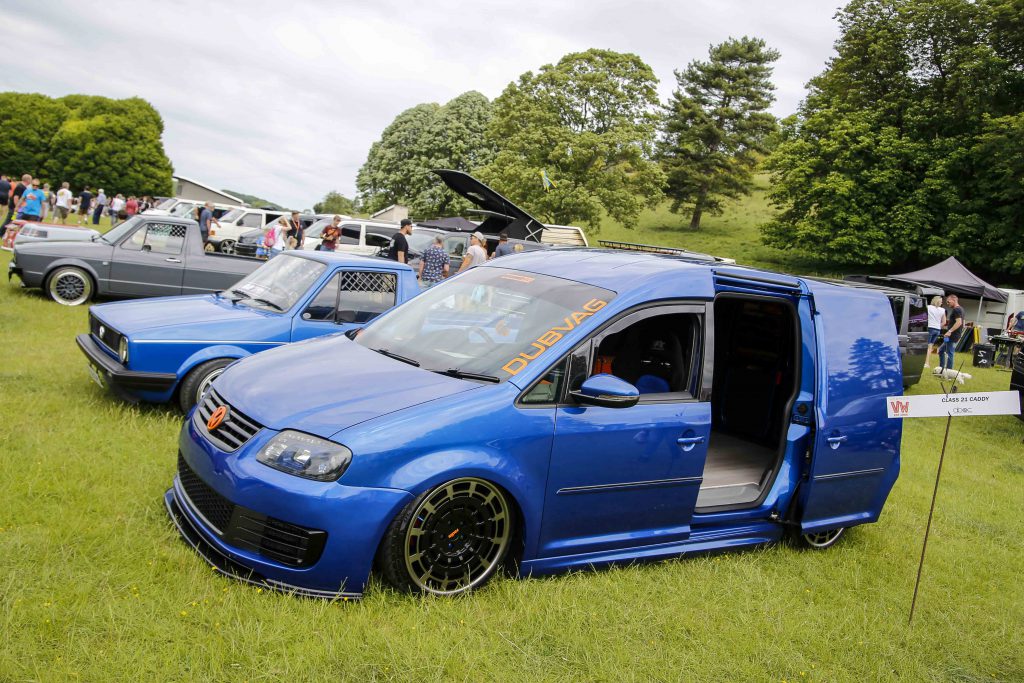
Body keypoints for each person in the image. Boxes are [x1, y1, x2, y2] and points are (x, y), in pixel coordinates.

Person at [937, 294, 964, 373]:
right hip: (954, 334)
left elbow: (959, 322)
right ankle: (941, 369)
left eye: (948, 302)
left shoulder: (957, 310)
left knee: (950, 353)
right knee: (941, 351)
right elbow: (963, 323)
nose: (947, 304)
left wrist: (949, 331)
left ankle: (949, 372)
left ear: (954, 300)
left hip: (952, 335)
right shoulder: (961, 309)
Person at [923, 295, 946, 369]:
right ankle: (927, 363)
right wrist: (938, 326)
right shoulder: (943, 310)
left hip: (929, 328)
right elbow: (944, 322)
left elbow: (923, 317)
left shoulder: (928, 307)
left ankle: (926, 363)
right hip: (937, 330)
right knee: (930, 346)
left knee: (927, 346)